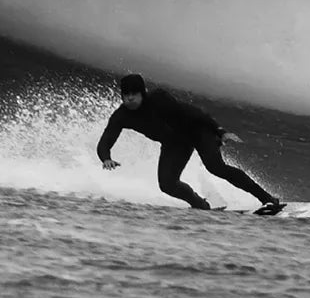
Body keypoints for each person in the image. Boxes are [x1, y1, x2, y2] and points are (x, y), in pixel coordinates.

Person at [96, 73, 285, 214]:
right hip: (174, 144)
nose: (129, 98)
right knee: (167, 184)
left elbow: (191, 112)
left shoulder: (158, 99)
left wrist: (219, 131)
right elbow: (106, 140)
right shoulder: (122, 116)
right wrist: (106, 158)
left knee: (216, 167)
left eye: (134, 94)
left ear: (143, 93)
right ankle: (200, 205)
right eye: (126, 95)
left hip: (197, 131)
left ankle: (268, 199)